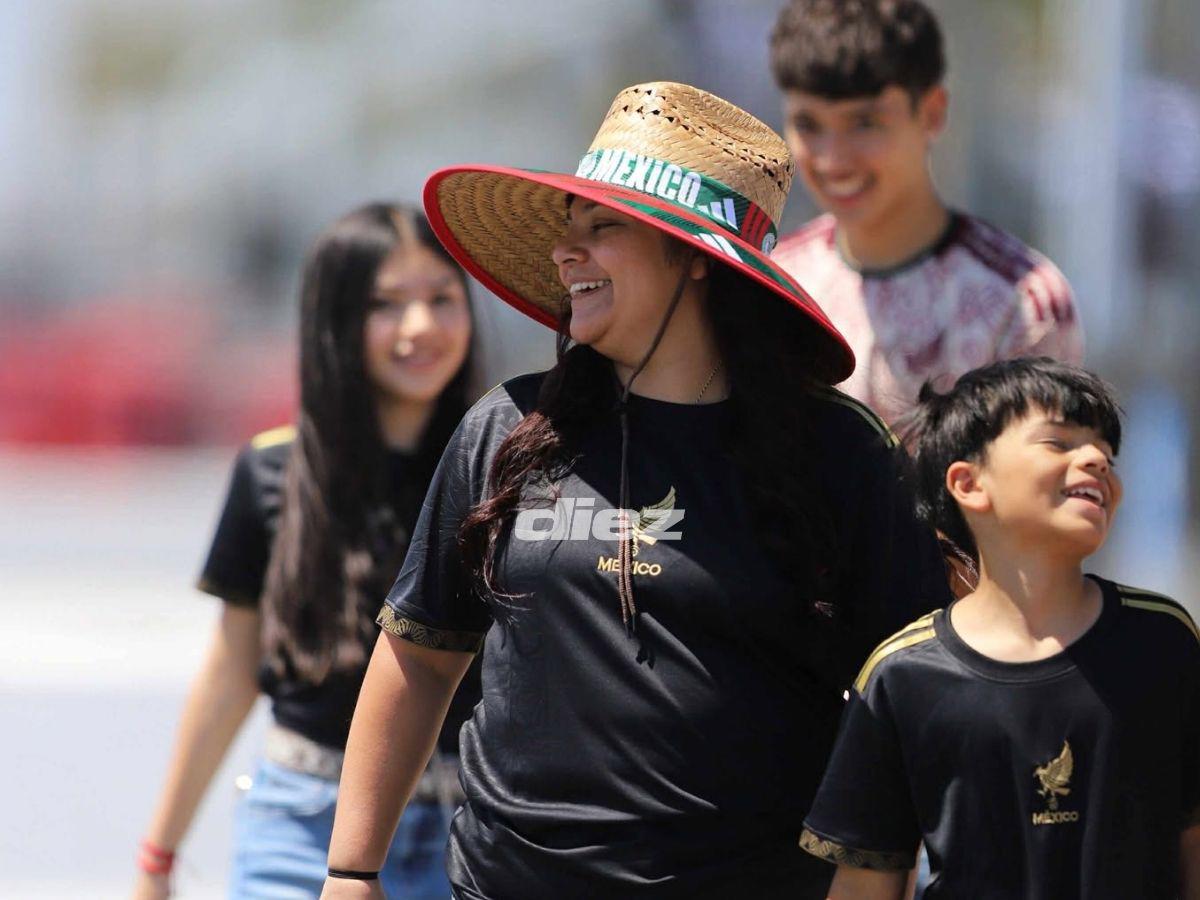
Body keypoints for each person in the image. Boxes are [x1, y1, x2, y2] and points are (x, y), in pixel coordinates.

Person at [319, 82, 951, 900]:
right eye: (567, 229)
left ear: (695, 257)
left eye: (602, 228)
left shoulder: (838, 454)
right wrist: (351, 871)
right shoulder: (507, 429)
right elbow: (419, 656)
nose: (565, 253)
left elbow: (909, 699)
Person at [132, 203, 481, 899]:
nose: (421, 326)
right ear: (335, 322)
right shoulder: (271, 473)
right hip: (300, 828)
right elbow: (231, 673)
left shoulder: (504, 472)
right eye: (385, 304)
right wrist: (158, 857)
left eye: (442, 298)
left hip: (470, 836)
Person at [800, 357, 1200, 898]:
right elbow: (866, 883)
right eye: (1059, 443)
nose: (1096, 461)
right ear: (968, 484)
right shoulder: (902, 675)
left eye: (1106, 454)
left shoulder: (1163, 642)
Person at [768, 0, 1083, 426]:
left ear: (932, 113)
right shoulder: (775, 283)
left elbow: (1043, 464)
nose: (833, 159)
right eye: (808, 125)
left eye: (864, 123)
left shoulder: (1022, 304)